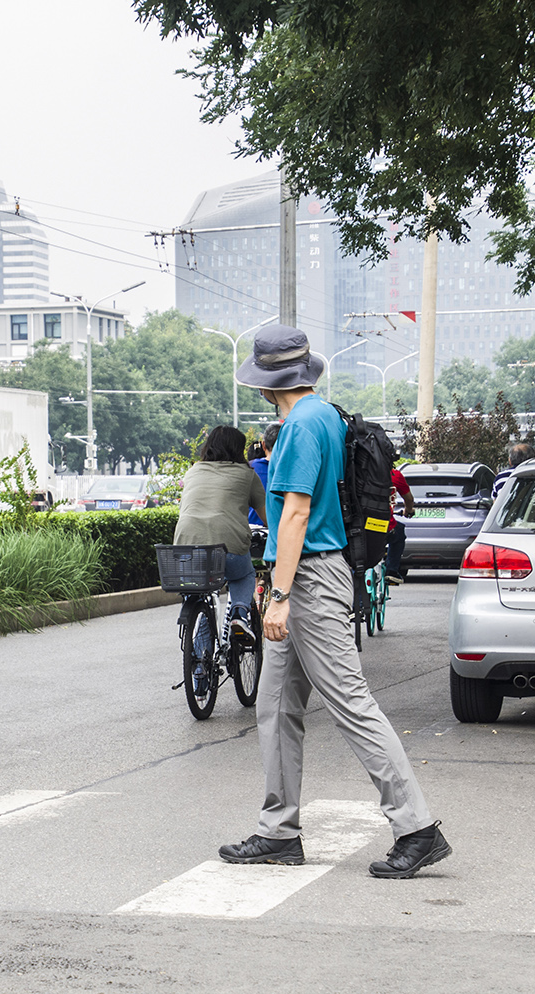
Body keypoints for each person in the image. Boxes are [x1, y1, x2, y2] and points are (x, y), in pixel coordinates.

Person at [217, 324, 450, 879]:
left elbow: (295, 513)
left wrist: (278, 595)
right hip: (313, 573)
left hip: (309, 580)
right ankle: (279, 832)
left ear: (267, 382)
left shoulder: (298, 426)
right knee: (274, 706)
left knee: (350, 701)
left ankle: (417, 828)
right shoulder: (324, 414)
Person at [174, 426, 268, 665]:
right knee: (244, 575)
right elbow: (268, 517)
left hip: (185, 550)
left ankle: (200, 672)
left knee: (200, 596)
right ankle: (239, 614)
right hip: (229, 548)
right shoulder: (247, 475)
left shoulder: (193, 471)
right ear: (239, 449)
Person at [384, 465, 416, 584]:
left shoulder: (359, 473)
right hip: (386, 526)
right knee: (399, 532)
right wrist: (408, 510)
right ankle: (392, 570)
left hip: (362, 526)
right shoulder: (394, 475)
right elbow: (409, 499)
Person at [247, 422, 280, 527]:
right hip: (281, 528)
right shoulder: (297, 471)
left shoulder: (250, 467)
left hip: (251, 529)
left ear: (264, 445)